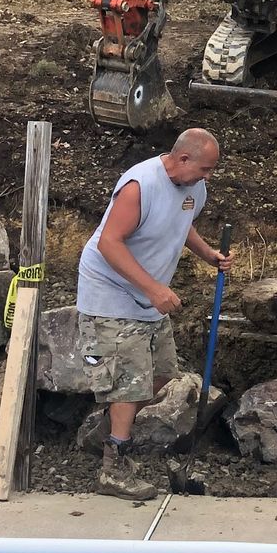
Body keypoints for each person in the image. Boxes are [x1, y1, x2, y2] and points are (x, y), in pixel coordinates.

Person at [76, 128, 232, 501]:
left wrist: (208, 254)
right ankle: (114, 470)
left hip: (147, 297)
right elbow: (108, 242)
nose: (208, 177)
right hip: (111, 295)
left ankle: (106, 430)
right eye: (205, 169)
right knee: (129, 384)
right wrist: (153, 288)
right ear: (182, 159)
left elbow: (182, 225)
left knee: (161, 377)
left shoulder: (195, 188)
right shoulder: (139, 185)